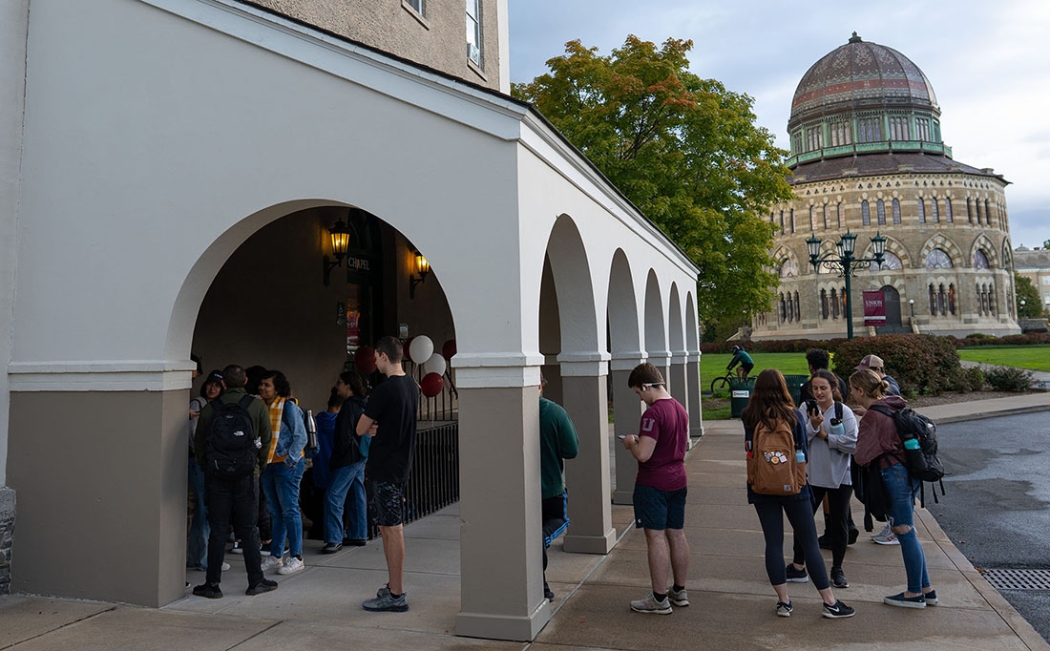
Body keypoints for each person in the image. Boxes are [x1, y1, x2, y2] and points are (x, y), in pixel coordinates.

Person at [742, 369, 855, 619]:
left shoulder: (749, 415)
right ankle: (829, 602)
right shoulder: (793, 415)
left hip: (761, 485)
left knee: (773, 543)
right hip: (794, 485)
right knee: (809, 542)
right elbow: (801, 448)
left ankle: (784, 602)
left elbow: (749, 448)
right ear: (783, 388)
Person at [852, 369, 938, 609]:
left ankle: (914, 594)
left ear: (860, 390)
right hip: (910, 472)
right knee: (908, 530)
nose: (851, 394)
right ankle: (926, 589)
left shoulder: (872, 417)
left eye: (852, 390)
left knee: (904, 530)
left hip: (893, 474)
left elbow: (861, 456)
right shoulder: (893, 405)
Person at [193, 364, 277, 598]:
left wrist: (207, 466)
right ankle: (255, 581)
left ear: (223, 384)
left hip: (217, 476)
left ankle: (212, 584)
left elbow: (200, 443)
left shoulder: (211, 409)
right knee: (249, 528)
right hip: (247, 476)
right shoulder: (257, 406)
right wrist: (257, 468)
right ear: (246, 381)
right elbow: (267, 439)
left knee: (218, 529)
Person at [620, 363, 690, 615]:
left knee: (656, 537)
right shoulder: (679, 408)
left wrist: (630, 443)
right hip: (678, 479)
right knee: (677, 534)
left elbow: (644, 455)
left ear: (646, 386)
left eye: (639, 393)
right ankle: (679, 591)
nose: (640, 398)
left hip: (654, 484)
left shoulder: (652, 414)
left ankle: (659, 598)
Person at [357, 336, 419, 612]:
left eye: (376, 357)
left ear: (382, 356)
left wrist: (372, 426)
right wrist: (377, 426)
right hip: (401, 463)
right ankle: (394, 588)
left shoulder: (384, 391)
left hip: (384, 466)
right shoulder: (412, 386)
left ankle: (396, 594)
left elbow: (360, 428)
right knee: (389, 527)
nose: (375, 362)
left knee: (391, 529)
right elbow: (393, 422)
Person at [786, 369, 858, 590]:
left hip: (840, 476)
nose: (818, 392)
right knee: (803, 520)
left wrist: (827, 437)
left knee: (839, 523)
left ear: (833, 389)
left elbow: (853, 443)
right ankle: (799, 565)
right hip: (813, 474)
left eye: (823, 388)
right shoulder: (806, 409)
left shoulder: (843, 411)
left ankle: (837, 569)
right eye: (815, 388)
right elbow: (798, 438)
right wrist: (814, 426)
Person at [258, 370, 309, 576]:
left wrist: (290, 460)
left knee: (289, 510)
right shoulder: (263, 406)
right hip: (269, 464)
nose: (262, 388)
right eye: (261, 384)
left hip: (286, 464)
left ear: (277, 388)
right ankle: (276, 555)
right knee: (275, 512)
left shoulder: (288, 407)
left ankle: (296, 557)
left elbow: (301, 437)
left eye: (267, 385)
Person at [538, 375, 579, 602]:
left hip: (520, 493)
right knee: (557, 522)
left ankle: (541, 587)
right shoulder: (554, 413)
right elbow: (571, 450)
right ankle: (541, 587)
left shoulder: (509, 412)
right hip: (550, 489)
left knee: (530, 538)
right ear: (540, 384)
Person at [323, 371, 370, 553]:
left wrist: (337, 458)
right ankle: (359, 533)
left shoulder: (349, 406)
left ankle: (334, 539)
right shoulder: (362, 403)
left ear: (348, 385)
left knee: (333, 496)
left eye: (339, 382)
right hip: (361, 454)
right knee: (357, 493)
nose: (337, 386)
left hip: (348, 457)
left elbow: (344, 435)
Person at [187, 370, 227, 573]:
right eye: (211, 384)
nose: (213, 388)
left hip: (204, 463)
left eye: (217, 386)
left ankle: (194, 556)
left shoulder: (215, 407)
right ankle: (205, 559)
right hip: (199, 463)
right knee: (205, 510)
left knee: (201, 511)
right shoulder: (199, 404)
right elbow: (193, 435)